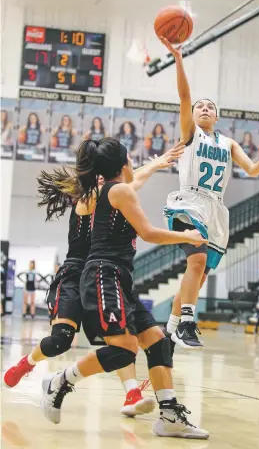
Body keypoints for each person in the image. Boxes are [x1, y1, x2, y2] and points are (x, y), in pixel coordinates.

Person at [40, 137, 209, 439]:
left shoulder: (116, 190)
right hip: (104, 275)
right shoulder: (117, 190)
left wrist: (157, 163)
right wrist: (191, 236)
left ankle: (170, 416)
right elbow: (148, 233)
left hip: (119, 276)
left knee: (156, 341)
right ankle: (60, 381)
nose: (135, 164)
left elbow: (139, 178)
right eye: (132, 159)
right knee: (124, 350)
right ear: (123, 164)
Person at [159, 36, 259, 349]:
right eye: (200, 106)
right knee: (195, 261)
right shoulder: (190, 134)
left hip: (216, 209)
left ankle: (170, 330)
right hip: (190, 202)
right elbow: (184, 97)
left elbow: (250, 170)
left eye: (210, 106)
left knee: (196, 274)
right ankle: (186, 322)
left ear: (217, 116)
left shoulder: (228, 143)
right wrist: (179, 60)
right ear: (193, 114)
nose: (204, 108)